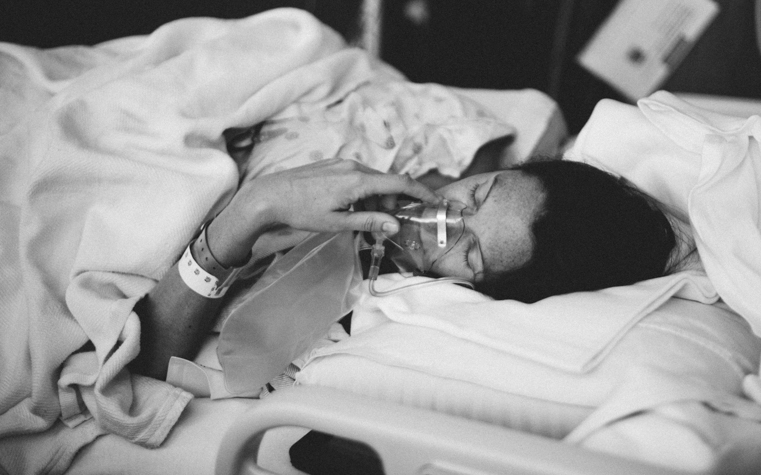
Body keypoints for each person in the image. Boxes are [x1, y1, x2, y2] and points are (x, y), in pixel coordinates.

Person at [132, 156, 694, 380]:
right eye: (474, 195)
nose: (441, 221)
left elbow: (151, 364)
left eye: (469, 253)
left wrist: (252, 211)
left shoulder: (355, 301)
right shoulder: (425, 149)